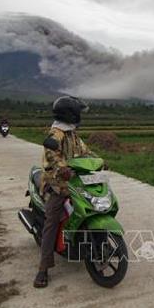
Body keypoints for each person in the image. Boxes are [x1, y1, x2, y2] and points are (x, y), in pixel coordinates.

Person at [33, 95, 92, 288]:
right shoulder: (56, 133)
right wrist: (61, 167)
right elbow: (51, 153)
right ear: (71, 114)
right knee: (51, 221)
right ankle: (43, 268)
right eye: (77, 112)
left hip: (74, 182)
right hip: (56, 183)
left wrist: (99, 161)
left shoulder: (73, 134)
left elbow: (85, 152)